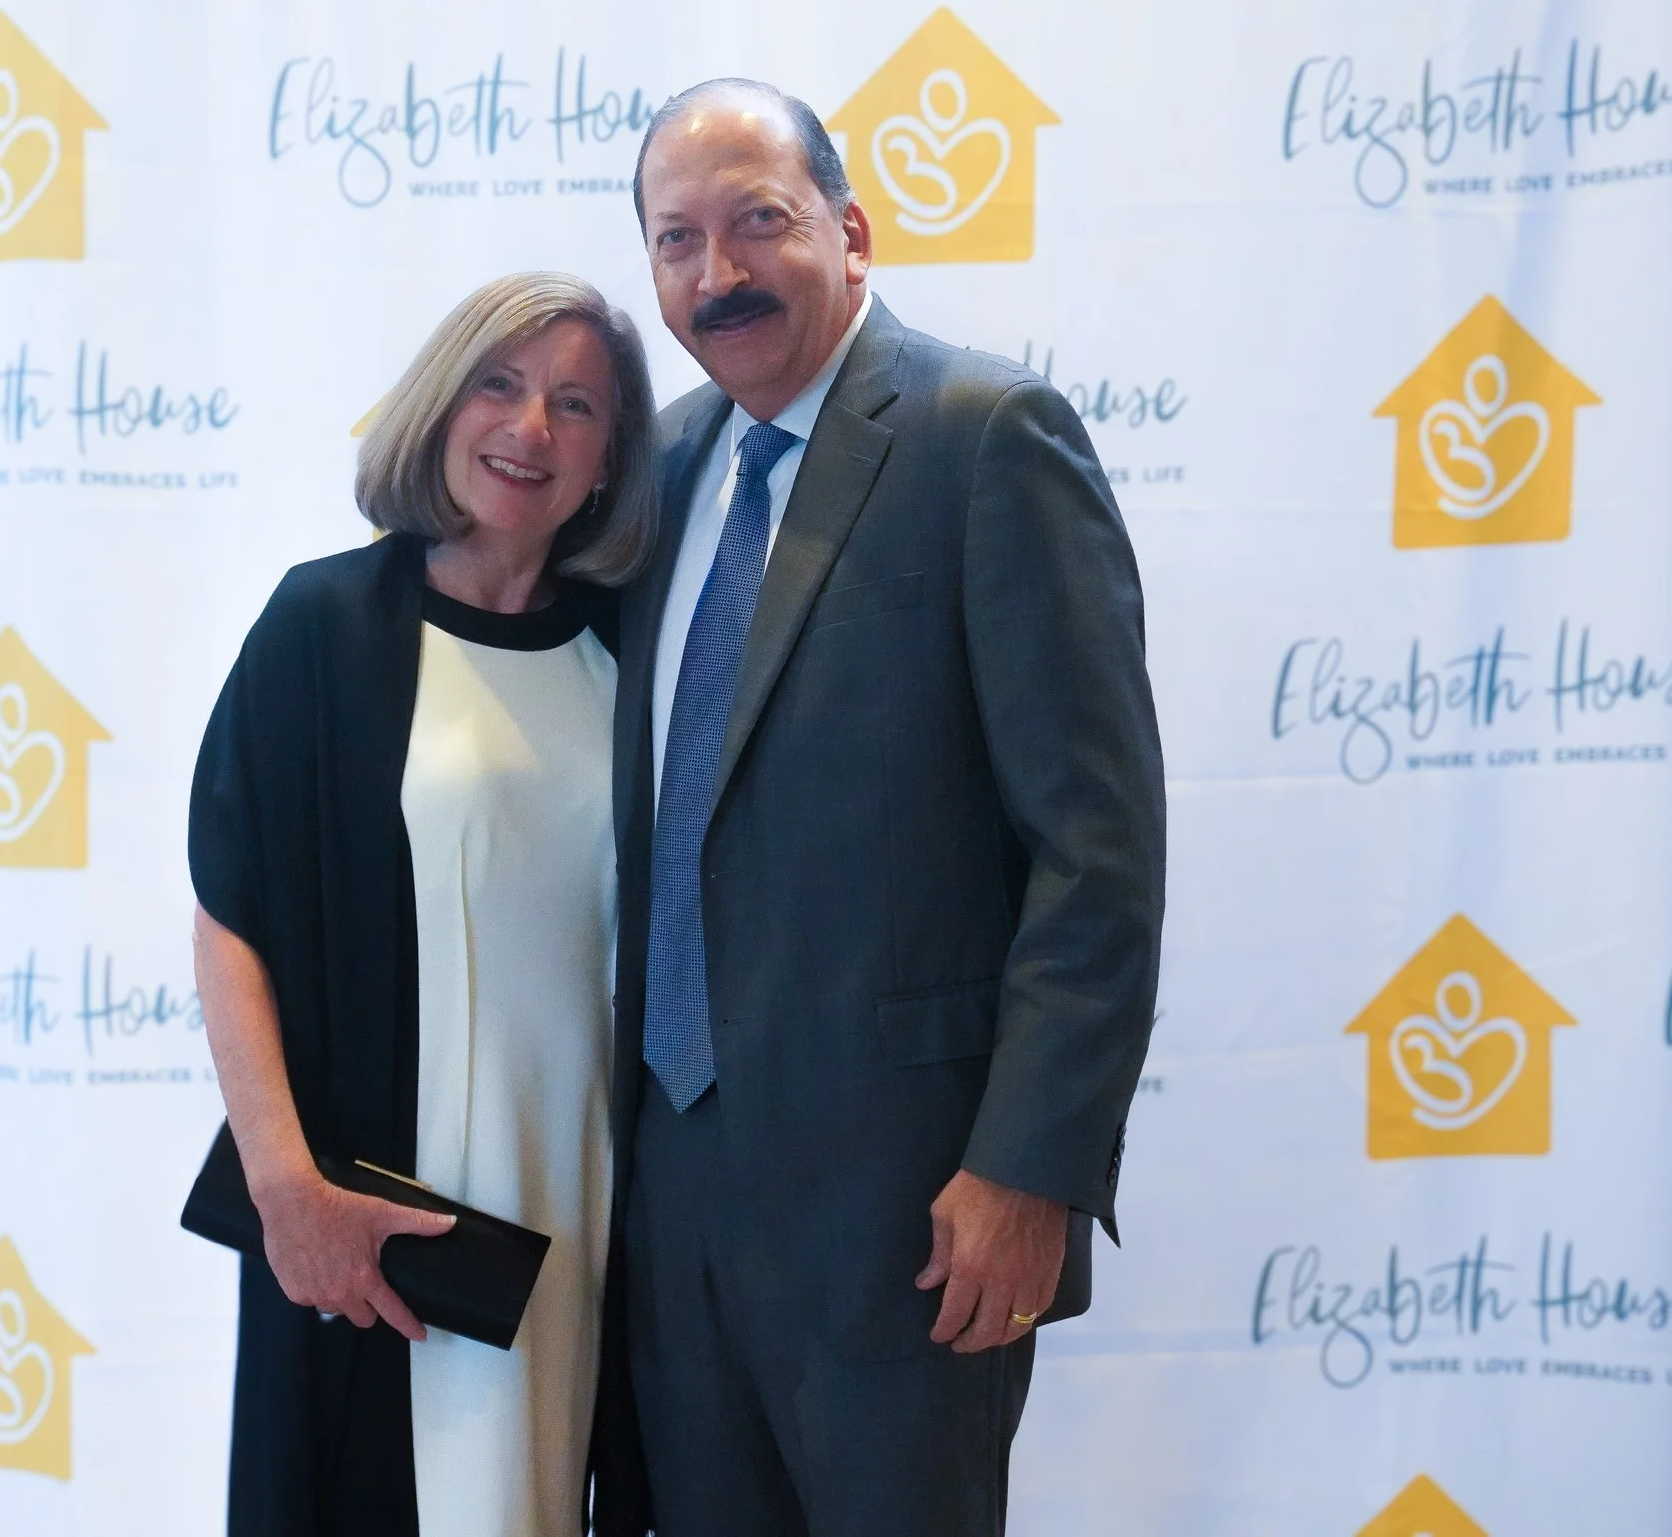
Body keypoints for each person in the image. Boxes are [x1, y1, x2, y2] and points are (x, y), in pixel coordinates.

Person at [607, 79, 1166, 1535]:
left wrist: (1029, 1167)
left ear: (850, 233)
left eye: (758, 222)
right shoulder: (656, 469)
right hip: (671, 1212)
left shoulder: (987, 436)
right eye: (677, 239)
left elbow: (1095, 852)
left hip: (913, 1210)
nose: (718, 273)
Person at [186, 272, 659, 1537]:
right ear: (443, 404)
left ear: (611, 457)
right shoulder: (326, 625)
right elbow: (230, 917)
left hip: (576, 1209)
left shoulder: (636, 650)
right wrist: (287, 1191)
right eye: (500, 385)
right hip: (365, 1215)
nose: (531, 428)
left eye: (576, 404)